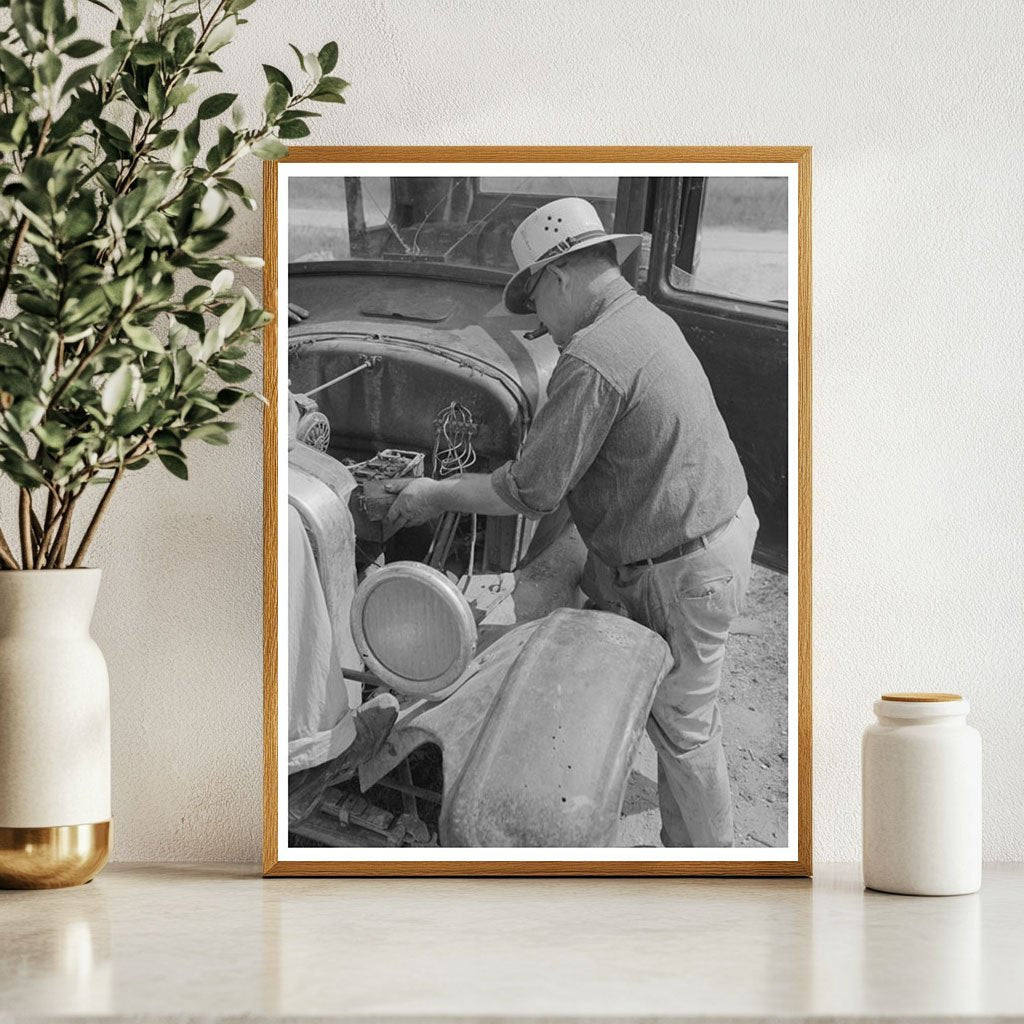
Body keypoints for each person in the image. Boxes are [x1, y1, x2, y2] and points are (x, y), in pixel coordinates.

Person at [384, 197, 758, 847]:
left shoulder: (592, 357)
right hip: (689, 536)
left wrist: (433, 492)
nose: (542, 328)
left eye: (536, 308)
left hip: (685, 566)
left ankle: (713, 873)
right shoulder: (642, 318)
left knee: (687, 732)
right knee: (645, 686)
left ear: (556, 279)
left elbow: (530, 490)